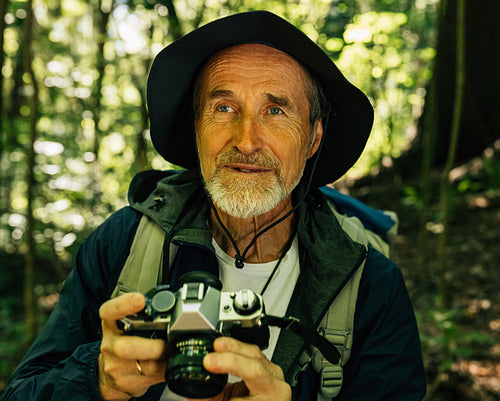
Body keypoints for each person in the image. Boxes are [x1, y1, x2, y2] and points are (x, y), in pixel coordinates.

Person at [1, 11, 426, 401]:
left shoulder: (368, 281)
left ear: (313, 138)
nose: (246, 139)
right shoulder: (125, 243)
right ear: (196, 125)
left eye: (275, 111)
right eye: (224, 107)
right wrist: (96, 378)